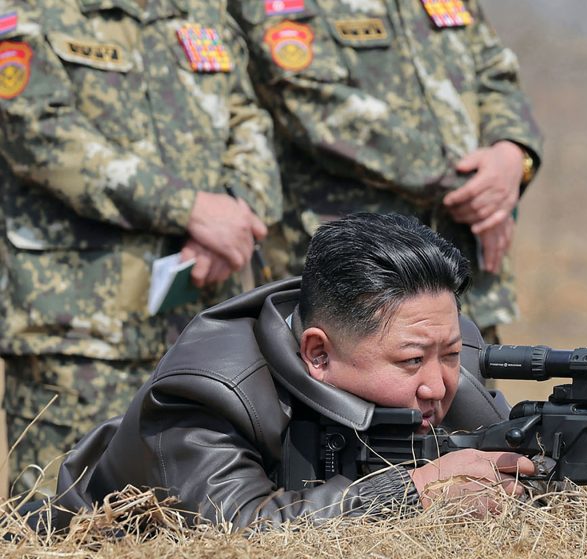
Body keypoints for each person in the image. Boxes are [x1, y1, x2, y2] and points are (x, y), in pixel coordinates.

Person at [50, 213, 535, 530]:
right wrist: (412, 494)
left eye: (448, 354)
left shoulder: (445, 350)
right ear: (318, 354)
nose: (436, 384)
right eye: (410, 361)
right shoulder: (209, 392)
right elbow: (239, 535)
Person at [0, 0, 282, 494]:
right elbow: (39, 133)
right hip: (86, 325)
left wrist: (235, 211)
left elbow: (248, 118)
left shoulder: (201, 12)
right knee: (62, 520)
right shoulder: (26, 12)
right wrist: (192, 210)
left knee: (197, 514)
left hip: (205, 320)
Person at [228, 0, 543, 342]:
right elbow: (308, 98)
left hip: (465, 274)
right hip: (356, 294)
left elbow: (495, 72)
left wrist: (512, 153)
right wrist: (478, 186)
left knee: (467, 387)